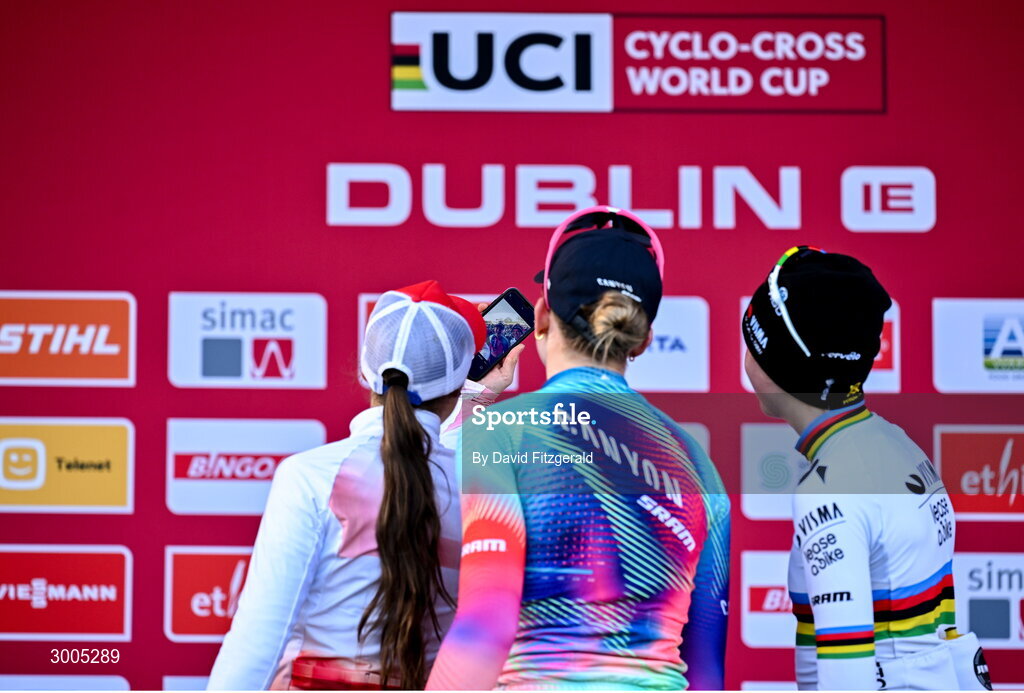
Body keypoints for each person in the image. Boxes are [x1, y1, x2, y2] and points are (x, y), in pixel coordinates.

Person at [427, 206, 730, 690]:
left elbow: (485, 628)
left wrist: (472, 397)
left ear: (543, 315)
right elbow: (707, 672)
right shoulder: (698, 462)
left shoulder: (501, 432)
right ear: (645, 338)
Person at [207, 280, 520, 690]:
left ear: (364, 371)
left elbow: (256, 644)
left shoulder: (309, 476)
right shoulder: (482, 490)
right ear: (459, 384)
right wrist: (475, 398)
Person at [740, 246, 992, 691]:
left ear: (777, 363)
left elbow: (846, 675)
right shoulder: (890, 440)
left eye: (750, 336)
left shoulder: (832, 487)